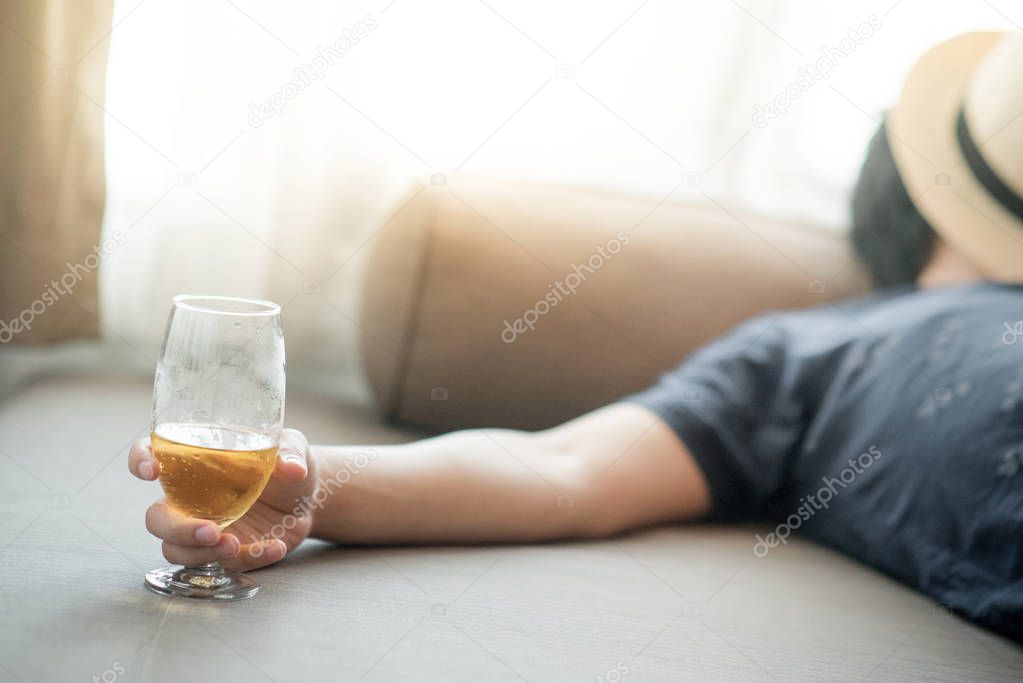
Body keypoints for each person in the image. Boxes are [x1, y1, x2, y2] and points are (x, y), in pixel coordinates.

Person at [129, 32, 1023, 640]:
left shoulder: (814, 349)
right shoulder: (807, 352)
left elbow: (559, 470)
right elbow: (561, 471)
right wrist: (314, 483)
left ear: (902, 193)